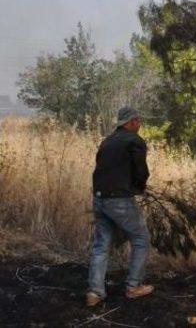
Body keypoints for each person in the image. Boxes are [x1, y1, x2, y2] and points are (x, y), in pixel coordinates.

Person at [86, 107, 153, 307]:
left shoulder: (107, 141)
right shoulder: (135, 141)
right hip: (119, 200)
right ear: (131, 122)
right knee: (141, 238)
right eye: (138, 121)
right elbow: (141, 171)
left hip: (99, 197)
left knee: (101, 245)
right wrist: (140, 188)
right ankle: (133, 287)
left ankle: (94, 292)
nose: (140, 124)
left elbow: (102, 168)